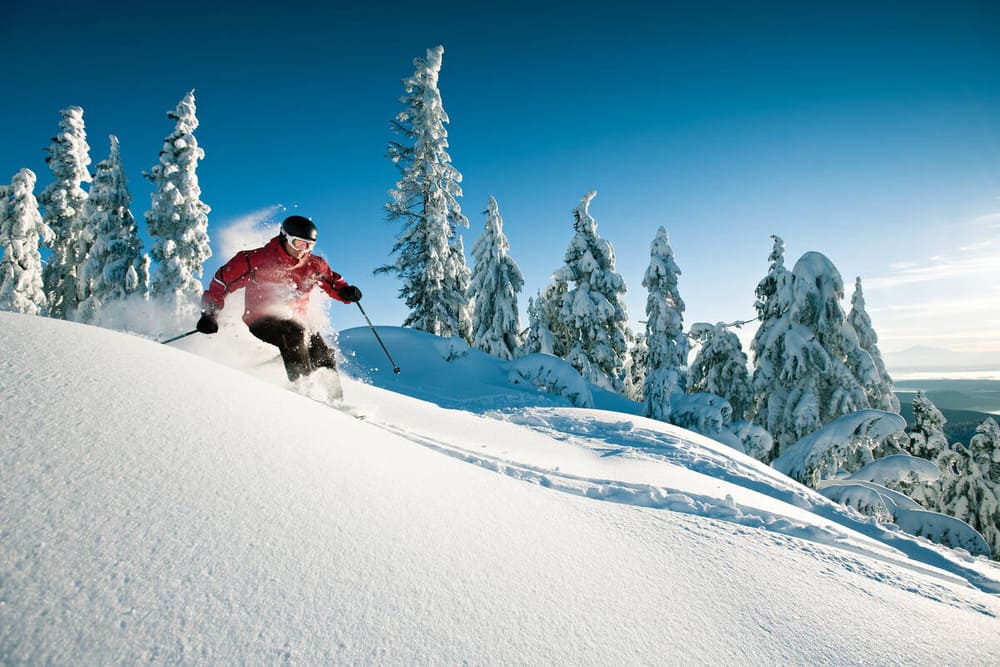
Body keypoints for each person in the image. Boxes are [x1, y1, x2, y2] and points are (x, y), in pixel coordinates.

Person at [196, 215, 362, 386]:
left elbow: (332, 281)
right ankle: (304, 393)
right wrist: (209, 314)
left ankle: (334, 404)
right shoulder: (256, 260)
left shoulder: (313, 264)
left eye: (309, 245)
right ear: (285, 237)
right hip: (260, 320)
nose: (303, 250)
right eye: (299, 243)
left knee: (322, 353)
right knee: (294, 333)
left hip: (298, 320)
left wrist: (345, 291)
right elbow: (222, 282)